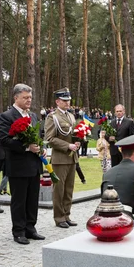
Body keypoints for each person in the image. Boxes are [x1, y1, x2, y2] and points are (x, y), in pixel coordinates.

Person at [0, 83, 45, 244]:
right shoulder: (7, 116)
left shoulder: (32, 116)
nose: (28, 100)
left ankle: (30, 228)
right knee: (19, 200)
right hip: (18, 165)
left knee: (32, 199)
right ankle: (18, 231)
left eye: (30, 97)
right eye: (25, 97)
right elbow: (4, 140)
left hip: (34, 164)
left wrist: (42, 148)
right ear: (16, 97)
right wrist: (26, 147)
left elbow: (39, 135)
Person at [44, 88, 80, 229]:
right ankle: (59, 218)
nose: (67, 103)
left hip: (72, 158)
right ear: (57, 101)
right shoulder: (52, 117)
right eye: (64, 100)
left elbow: (73, 134)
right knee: (59, 190)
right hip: (60, 158)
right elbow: (50, 138)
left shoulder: (71, 116)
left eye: (68, 100)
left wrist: (77, 142)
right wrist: (67, 145)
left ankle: (66, 215)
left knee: (69, 189)